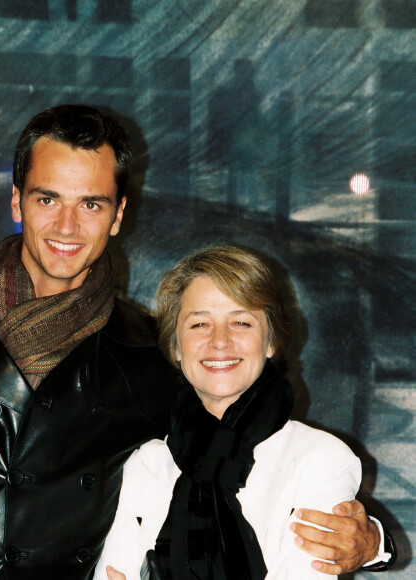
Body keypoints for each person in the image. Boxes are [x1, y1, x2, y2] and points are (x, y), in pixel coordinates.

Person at [0, 106, 386, 579]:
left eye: (92, 204)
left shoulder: (153, 356)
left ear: (119, 214)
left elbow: (242, 465)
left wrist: (373, 540)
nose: (68, 226)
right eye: (48, 199)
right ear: (16, 201)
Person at [94, 246, 393, 580]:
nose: (220, 341)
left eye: (241, 322)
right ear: (176, 347)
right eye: (199, 324)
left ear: (271, 342)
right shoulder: (147, 464)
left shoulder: (320, 459)